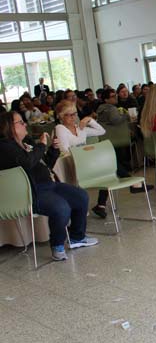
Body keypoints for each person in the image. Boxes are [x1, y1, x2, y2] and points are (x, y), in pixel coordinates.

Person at [0, 111, 98, 262]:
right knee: (61, 207)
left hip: (49, 184)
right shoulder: (5, 147)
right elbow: (27, 162)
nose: (25, 124)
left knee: (80, 196)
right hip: (31, 192)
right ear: (9, 127)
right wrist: (41, 145)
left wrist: (52, 149)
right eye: (20, 122)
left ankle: (77, 237)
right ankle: (57, 245)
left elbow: (46, 164)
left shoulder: (26, 142)